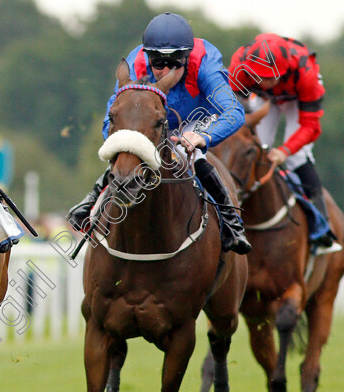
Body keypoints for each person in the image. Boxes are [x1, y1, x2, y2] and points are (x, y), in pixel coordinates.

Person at [68, 12, 251, 255]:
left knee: (194, 155)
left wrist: (203, 137)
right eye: (158, 63)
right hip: (151, 120)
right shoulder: (135, 64)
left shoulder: (205, 64)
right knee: (127, 152)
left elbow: (234, 111)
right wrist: (125, 141)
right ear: (147, 57)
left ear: (187, 57)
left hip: (197, 116)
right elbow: (110, 120)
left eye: (175, 63)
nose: (165, 71)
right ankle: (90, 203)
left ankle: (231, 222)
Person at [228, 33, 335, 248]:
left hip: (297, 98)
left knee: (296, 156)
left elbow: (310, 127)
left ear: (283, 71)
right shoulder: (239, 65)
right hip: (267, 101)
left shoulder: (306, 73)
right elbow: (231, 110)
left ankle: (322, 225)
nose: (263, 82)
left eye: (269, 77)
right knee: (251, 148)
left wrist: (285, 151)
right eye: (258, 76)